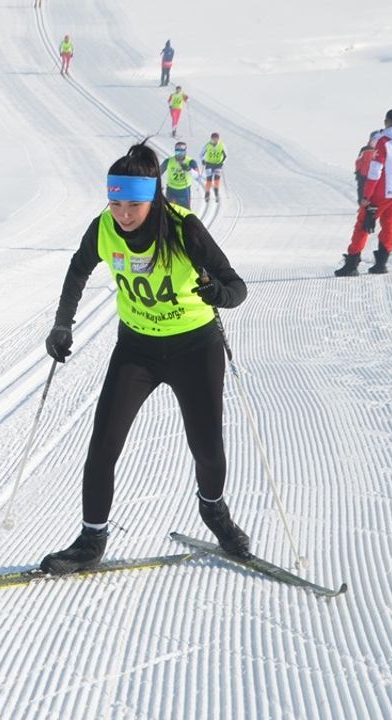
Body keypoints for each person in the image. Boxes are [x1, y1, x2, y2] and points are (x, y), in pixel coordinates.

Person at [40, 141, 250, 574]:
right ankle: (91, 539)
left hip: (195, 348)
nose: (124, 214)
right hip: (136, 349)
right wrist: (63, 324)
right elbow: (78, 269)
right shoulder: (103, 227)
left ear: (152, 197)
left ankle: (214, 512)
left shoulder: (183, 227)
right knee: (102, 447)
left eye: (133, 204)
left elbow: (236, 287)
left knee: (207, 450)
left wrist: (218, 295)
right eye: (116, 203)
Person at [336, 109, 392, 276]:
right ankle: (381, 263)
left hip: (381, 190)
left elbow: (375, 171)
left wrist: (366, 196)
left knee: (363, 224)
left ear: (387, 121)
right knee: (388, 224)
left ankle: (351, 265)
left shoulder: (384, 142)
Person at [160, 141, 199, 209]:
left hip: (184, 191)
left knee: (185, 213)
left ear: (185, 151)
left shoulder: (190, 161)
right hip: (171, 190)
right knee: (170, 211)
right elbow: (157, 173)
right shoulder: (168, 161)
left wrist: (189, 169)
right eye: (177, 150)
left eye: (182, 150)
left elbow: (197, 176)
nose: (179, 153)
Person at [354, 130, 382, 204]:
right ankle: (361, 206)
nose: (375, 142)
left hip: (375, 176)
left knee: (373, 192)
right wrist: (358, 172)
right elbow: (358, 161)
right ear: (370, 140)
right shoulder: (365, 149)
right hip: (363, 175)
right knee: (362, 191)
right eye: (374, 140)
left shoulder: (381, 151)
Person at [200, 132, 226, 202]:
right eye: (213, 139)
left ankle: (216, 192)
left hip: (218, 164)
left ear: (218, 139)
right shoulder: (207, 145)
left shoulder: (221, 145)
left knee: (217, 179)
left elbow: (226, 156)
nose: (215, 141)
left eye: (216, 139)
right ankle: (207, 193)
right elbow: (201, 154)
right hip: (209, 164)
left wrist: (222, 162)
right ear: (211, 139)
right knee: (209, 179)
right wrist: (203, 160)